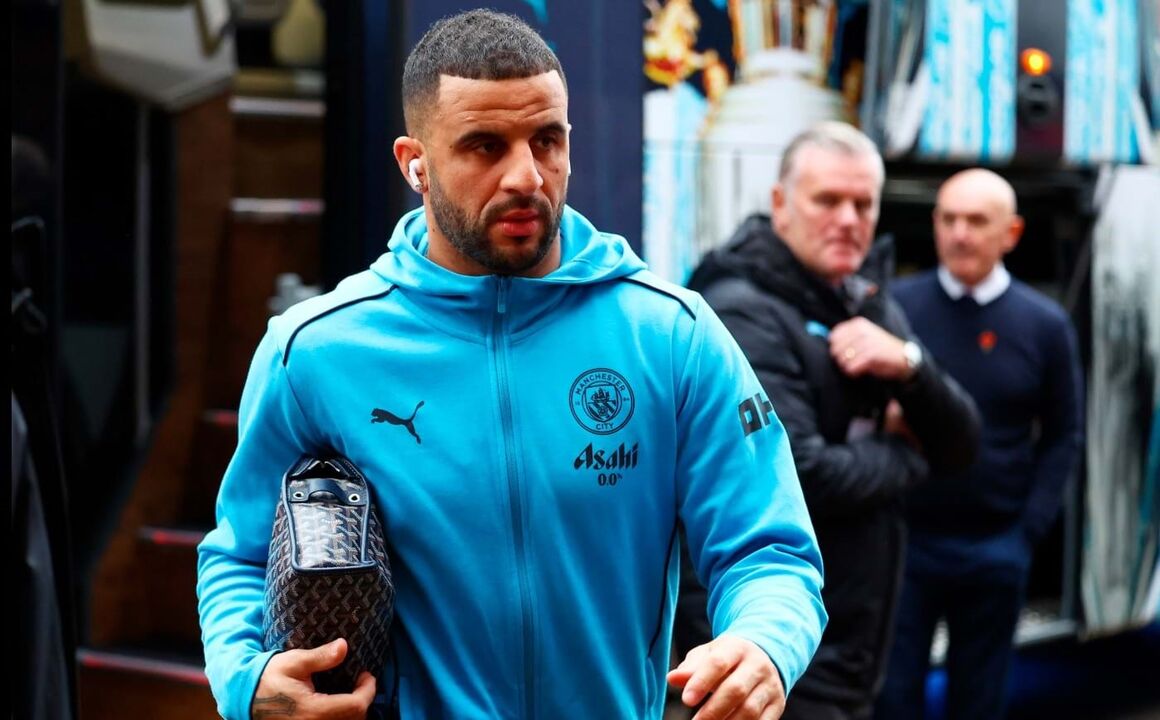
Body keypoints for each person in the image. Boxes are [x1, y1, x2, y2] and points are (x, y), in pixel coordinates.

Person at [197, 10, 826, 720]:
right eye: (485, 146)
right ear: (414, 164)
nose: (526, 176)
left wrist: (764, 641)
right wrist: (247, 679)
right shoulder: (315, 350)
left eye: (547, 140)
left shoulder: (671, 335)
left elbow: (769, 550)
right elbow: (241, 554)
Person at [682, 121, 980, 720]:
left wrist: (909, 365)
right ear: (780, 204)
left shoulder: (864, 298)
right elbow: (804, 475)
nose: (848, 219)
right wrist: (905, 450)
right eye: (827, 200)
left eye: (863, 204)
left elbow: (961, 443)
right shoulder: (742, 312)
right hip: (779, 655)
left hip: (849, 644)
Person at [875, 169, 1084, 720]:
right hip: (907, 543)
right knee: (892, 700)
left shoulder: (1045, 325)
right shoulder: (896, 310)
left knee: (980, 702)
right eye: (948, 219)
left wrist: (1027, 532)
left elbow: (1064, 434)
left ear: (1011, 233)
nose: (960, 234)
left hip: (996, 547)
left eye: (976, 221)